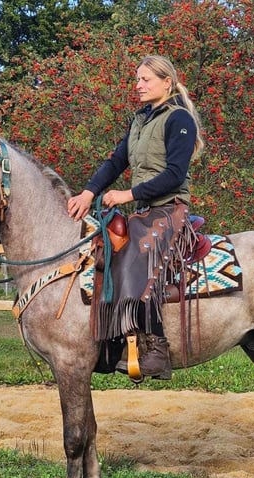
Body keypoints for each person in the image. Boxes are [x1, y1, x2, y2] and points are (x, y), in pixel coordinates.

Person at [68, 55, 204, 379]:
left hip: (171, 210)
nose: (138, 85)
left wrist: (128, 195)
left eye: (145, 79)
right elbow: (116, 162)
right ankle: (114, 341)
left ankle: (155, 349)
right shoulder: (140, 120)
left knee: (135, 259)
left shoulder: (179, 119)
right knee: (108, 253)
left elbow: (174, 174)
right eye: (138, 79)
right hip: (145, 212)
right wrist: (88, 193)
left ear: (166, 82)